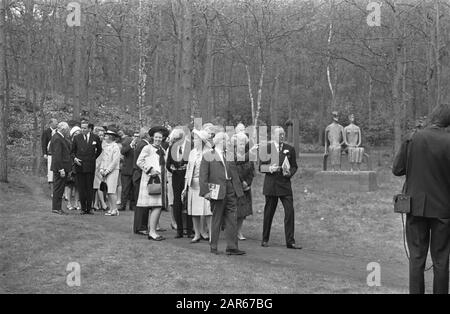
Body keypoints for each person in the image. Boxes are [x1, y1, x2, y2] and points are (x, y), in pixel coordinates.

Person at [393, 103, 450, 294]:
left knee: (416, 258)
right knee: (441, 260)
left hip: (416, 207)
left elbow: (397, 169)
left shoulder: (412, 138)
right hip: (443, 209)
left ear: (433, 117)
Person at [199, 132, 245, 255]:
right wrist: (205, 192)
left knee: (232, 218)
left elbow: (234, 173)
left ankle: (232, 247)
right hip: (217, 190)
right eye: (227, 141)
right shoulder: (208, 155)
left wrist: (238, 190)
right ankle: (213, 246)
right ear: (221, 141)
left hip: (230, 188)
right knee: (216, 219)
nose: (229, 143)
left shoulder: (229, 156)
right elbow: (203, 176)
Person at [260, 126, 301, 249]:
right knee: (269, 213)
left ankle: (290, 241)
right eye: (279, 134)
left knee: (290, 212)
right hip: (271, 185)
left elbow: (294, 166)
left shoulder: (290, 149)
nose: (282, 136)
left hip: (284, 185)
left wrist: (290, 173)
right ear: (273, 136)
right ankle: (265, 239)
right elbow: (260, 167)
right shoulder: (266, 148)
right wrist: (269, 168)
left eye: (283, 134)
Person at [136, 127, 169, 241]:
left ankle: (153, 230)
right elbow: (139, 161)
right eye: (156, 137)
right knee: (156, 206)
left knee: (158, 206)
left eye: (160, 137)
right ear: (152, 137)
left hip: (160, 180)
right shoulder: (147, 148)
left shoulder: (162, 150)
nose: (158, 139)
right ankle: (152, 232)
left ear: (163, 138)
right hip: (151, 180)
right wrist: (150, 170)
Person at [182, 129, 212, 242]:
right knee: (194, 211)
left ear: (202, 140)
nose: (194, 140)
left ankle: (211, 235)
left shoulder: (209, 152)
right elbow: (188, 170)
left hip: (204, 184)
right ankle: (197, 234)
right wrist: (185, 187)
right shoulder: (192, 152)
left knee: (208, 211)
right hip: (192, 184)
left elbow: (212, 171)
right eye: (194, 138)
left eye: (196, 138)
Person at [166, 128, 193, 238]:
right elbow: (168, 164)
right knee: (177, 203)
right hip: (176, 177)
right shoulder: (172, 147)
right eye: (175, 138)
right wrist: (175, 170)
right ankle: (179, 230)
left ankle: (190, 230)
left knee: (188, 202)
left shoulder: (190, 147)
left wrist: (186, 169)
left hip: (187, 176)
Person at [72, 121, 102, 215]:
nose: (83, 129)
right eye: (82, 128)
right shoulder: (77, 138)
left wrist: (93, 158)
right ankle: (83, 208)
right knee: (81, 187)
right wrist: (75, 158)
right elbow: (72, 151)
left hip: (90, 165)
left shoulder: (95, 137)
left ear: (89, 128)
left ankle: (89, 208)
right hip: (80, 166)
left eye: (85, 128)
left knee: (89, 187)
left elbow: (99, 150)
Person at [232, 132, 254, 241]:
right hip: (235, 187)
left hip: (245, 187)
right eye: (240, 144)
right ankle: (232, 231)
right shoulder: (232, 156)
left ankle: (239, 231)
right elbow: (233, 171)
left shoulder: (248, 156)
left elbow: (252, 171)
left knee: (242, 212)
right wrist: (241, 183)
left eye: (243, 144)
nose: (242, 146)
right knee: (234, 211)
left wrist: (247, 182)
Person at [133, 127, 151, 235]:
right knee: (141, 203)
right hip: (140, 175)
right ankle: (141, 226)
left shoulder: (140, 144)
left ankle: (139, 226)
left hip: (137, 174)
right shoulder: (144, 145)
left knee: (140, 203)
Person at [50, 122, 71, 215]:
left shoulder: (60, 137)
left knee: (60, 188)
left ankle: (57, 207)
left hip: (62, 167)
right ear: (63, 129)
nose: (68, 131)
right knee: (58, 188)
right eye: (67, 130)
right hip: (60, 168)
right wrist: (61, 169)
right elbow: (57, 155)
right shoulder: (57, 138)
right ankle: (56, 208)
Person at [99, 130, 121, 216]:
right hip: (105, 171)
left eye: (106, 136)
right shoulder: (106, 147)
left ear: (111, 137)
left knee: (112, 190)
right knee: (108, 191)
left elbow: (115, 161)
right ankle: (111, 208)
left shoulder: (115, 147)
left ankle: (115, 209)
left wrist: (108, 170)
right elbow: (103, 159)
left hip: (113, 171)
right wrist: (101, 169)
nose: (105, 137)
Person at [119, 130, 137, 211]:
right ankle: (123, 205)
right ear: (132, 136)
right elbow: (123, 151)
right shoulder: (127, 142)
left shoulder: (141, 144)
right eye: (135, 135)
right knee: (125, 189)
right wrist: (130, 145)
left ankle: (132, 206)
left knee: (134, 189)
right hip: (126, 170)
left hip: (135, 170)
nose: (136, 137)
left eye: (138, 136)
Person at [65, 126, 82, 211]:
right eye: (75, 133)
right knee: (69, 185)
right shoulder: (69, 143)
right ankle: (68, 203)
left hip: (78, 166)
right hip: (70, 166)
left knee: (77, 186)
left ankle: (76, 203)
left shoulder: (81, 143)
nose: (77, 135)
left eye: (79, 133)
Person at [92, 126, 108, 211]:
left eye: (103, 135)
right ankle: (103, 204)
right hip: (96, 166)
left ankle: (96, 203)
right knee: (98, 185)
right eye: (100, 135)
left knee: (100, 185)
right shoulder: (95, 143)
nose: (101, 137)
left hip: (104, 167)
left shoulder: (106, 144)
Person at [42, 118, 58, 196]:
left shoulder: (58, 132)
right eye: (56, 123)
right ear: (51, 123)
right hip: (49, 155)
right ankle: (52, 192)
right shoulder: (46, 132)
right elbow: (44, 143)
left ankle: (57, 191)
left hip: (57, 155)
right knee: (50, 173)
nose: (57, 124)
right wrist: (44, 153)